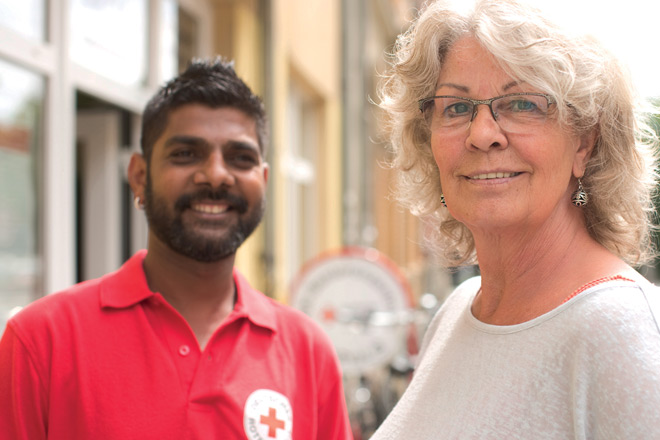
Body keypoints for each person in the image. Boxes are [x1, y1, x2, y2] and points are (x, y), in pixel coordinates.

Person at [0, 58, 353, 440]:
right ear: (139, 176)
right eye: (186, 154)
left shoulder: (308, 353)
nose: (216, 174)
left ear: (263, 181)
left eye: (241, 158)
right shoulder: (41, 341)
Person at [372, 0, 660, 438]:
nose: (482, 133)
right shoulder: (458, 311)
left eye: (522, 103)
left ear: (584, 142)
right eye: (456, 107)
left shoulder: (624, 333)